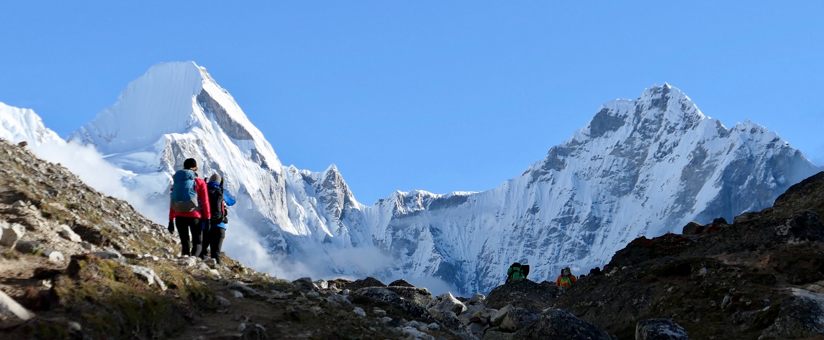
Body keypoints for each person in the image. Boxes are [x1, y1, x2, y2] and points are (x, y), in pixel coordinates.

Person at [168, 158, 210, 257]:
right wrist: (207, 218)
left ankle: (185, 264)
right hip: (194, 216)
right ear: (194, 167)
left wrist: (171, 220)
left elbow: (173, 200)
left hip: (179, 216)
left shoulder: (177, 182)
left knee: (185, 243)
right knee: (197, 243)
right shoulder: (199, 182)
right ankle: (193, 262)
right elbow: (205, 202)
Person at [200, 173, 228, 263]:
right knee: (216, 254)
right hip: (220, 227)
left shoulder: (204, 191)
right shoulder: (221, 192)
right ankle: (217, 275)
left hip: (206, 226)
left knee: (201, 251)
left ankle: (201, 272)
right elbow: (232, 201)